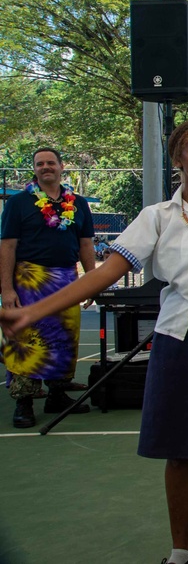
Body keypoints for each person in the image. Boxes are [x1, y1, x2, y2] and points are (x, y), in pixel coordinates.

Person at [0, 120, 188, 564]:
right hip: (176, 340)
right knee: (178, 451)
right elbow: (103, 273)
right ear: (178, 160)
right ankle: (181, 551)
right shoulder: (156, 217)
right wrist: (31, 311)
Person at [1, 147, 95, 428]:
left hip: (67, 279)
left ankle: (57, 394)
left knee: (64, 337)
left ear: (61, 166)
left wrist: (92, 280)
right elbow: (7, 246)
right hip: (29, 279)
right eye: (40, 164)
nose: (45, 167)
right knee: (27, 339)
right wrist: (6, 289)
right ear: (35, 169)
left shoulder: (77, 203)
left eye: (50, 162)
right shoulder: (18, 203)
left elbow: (86, 244)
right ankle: (24, 402)